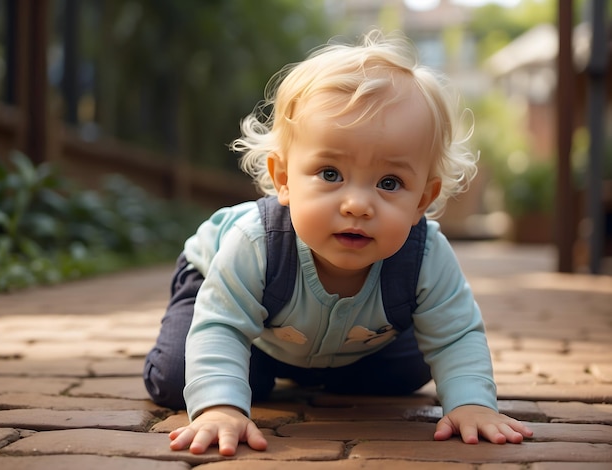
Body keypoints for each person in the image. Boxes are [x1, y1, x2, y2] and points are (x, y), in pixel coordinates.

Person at [143, 30, 533, 456]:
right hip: (226, 303)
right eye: (330, 174)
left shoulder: (424, 254)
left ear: (423, 199)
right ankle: (253, 367)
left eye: (389, 183)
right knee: (180, 374)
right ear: (284, 179)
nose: (357, 205)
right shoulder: (256, 242)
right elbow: (220, 324)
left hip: (351, 338)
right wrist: (219, 407)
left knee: (410, 369)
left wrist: (472, 404)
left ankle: (320, 370)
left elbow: (455, 335)